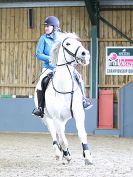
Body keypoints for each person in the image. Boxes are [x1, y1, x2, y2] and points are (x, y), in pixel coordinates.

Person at [32, 16, 92, 118]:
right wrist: (51, 58)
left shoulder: (63, 37)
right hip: (49, 67)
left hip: (64, 67)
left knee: (78, 77)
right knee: (41, 82)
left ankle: (83, 100)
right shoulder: (43, 39)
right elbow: (38, 54)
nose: (46, 28)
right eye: (45, 26)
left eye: (48, 26)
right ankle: (40, 108)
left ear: (55, 27)